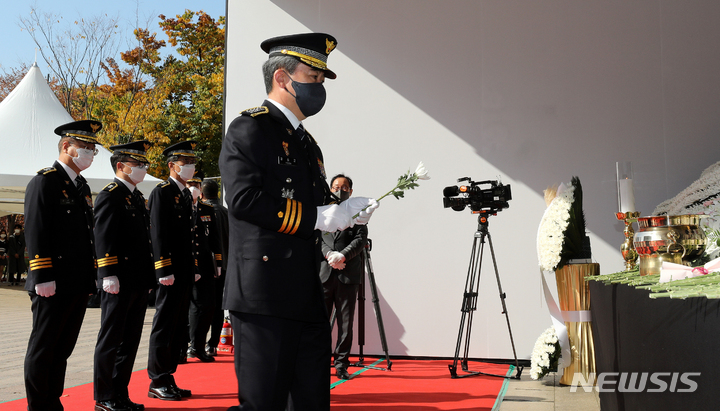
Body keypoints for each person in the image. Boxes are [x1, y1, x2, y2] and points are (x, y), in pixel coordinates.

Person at [219, 32, 378, 411]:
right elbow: (242, 200)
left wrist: (347, 210)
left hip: (307, 290)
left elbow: (319, 203)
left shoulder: (307, 143)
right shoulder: (250, 128)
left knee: (310, 401)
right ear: (282, 78)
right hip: (264, 293)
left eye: (322, 80)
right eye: (314, 78)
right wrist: (317, 216)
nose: (319, 88)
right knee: (264, 403)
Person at [23, 119, 102, 411]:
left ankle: (52, 400)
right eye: (86, 148)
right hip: (52, 282)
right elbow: (36, 229)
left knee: (63, 348)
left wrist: (90, 277)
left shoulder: (80, 186)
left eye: (93, 150)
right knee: (43, 348)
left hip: (77, 281)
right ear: (66, 146)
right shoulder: (46, 180)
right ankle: (38, 405)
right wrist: (42, 274)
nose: (91, 154)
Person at [92, 141, 156, 411]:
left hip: (137, 280)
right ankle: (104, 396)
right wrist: (108, 273)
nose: (142, 168)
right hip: (118, 280)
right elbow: (103, 236)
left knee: (129, 341)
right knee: (111, 339)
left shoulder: (135, 196)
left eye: (144, 164)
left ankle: (120, 393)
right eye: (138, 164)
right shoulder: (111, 195)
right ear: (121, 166)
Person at [146, 140, 199, 401]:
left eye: (192, 162)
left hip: (184, 271)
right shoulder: (162, 192)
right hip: (169, 272)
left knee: (179, 324)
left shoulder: (185, 194)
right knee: (165, 324)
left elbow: (190, 236)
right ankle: (157, 378)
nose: (190, 167)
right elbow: (159, 234)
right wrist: (163, 269)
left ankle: (168, 374)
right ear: (172, 166)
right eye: (185, 163)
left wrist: (194, 268)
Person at [320, 174, 368, 380]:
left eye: (345, 187)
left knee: (345, 323)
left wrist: (343, 255)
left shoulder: (358, 212)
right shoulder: (322, 211)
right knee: (320, 323)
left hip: (348, 274)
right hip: (324, 273)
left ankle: (341, 364)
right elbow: (318, 237)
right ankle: (319, 363)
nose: (340, 190)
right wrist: (329, 254)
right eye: (336, 186)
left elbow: (360, 239)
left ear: (351, 191)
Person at [186, 177, 222, 363]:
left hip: (207, 265)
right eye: (190, 185)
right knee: (193, 307)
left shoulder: (206, 209)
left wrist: (219, 263)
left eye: (196, 185)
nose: (193, 188)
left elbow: (215, 239)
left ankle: (199, 346)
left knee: (209, 306)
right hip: (187, 264)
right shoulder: (180, 207)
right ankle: (191, 345)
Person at [202, 179, 229, 357]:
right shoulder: (227, 212)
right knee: (219, 305)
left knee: (202, 305)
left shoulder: (203, 211)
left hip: (207, 266)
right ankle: (212, 344)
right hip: (225, 265)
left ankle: (198, 342)